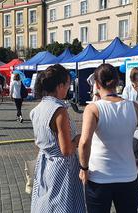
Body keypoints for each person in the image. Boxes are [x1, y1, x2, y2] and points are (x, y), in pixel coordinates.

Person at [78, 64, 138, 213]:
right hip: (128, 176)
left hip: (99, 177)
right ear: (117, 83)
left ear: (96, 84)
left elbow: (84, 143)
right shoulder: (134, 107)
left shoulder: (93, 109)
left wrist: (83, 168)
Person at [30, 64, 85, 213]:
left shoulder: (36, 109)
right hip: (62, 166)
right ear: (60, 86)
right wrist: (79, 138)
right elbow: (66, 150)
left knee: (45, 204)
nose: (68, 87)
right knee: (63, 205)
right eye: (68, 84)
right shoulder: (59, 111)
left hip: (44, 163)